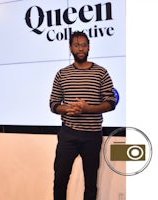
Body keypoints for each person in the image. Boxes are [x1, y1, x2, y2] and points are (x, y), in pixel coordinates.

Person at [49, 31, 116, 200]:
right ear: (70, 47)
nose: (81, 48)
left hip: (92, 136)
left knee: (91, 183)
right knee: (60, 180)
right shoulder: (61, 74)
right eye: (77, 45)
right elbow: (53, 104)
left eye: (84, 45)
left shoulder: (101, 73)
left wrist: (87, 109)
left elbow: (111, 102)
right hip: (68, 135)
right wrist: (66, 109)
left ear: (89, 47)